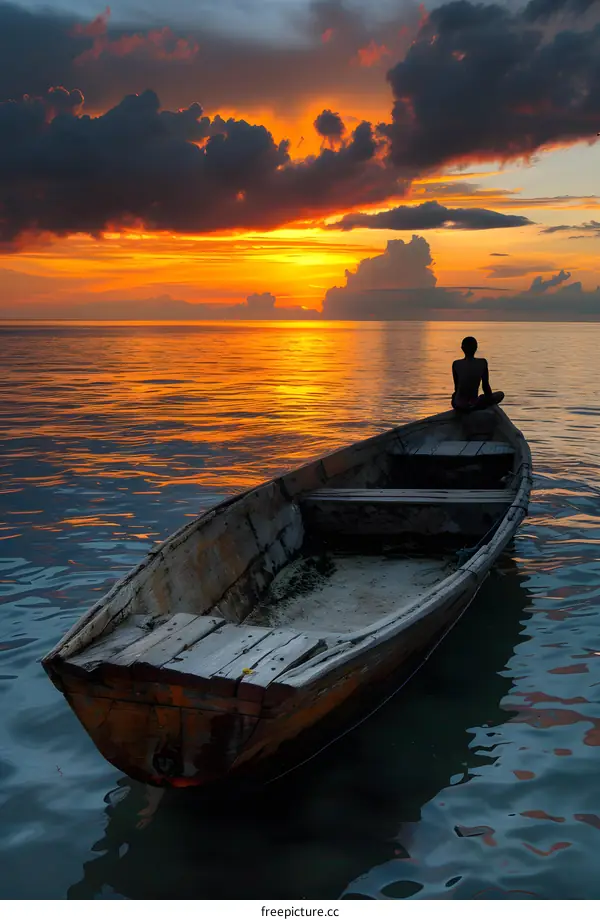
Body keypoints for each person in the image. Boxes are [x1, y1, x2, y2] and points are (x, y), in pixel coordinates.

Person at [451, 336, 504, 411]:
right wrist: (489, 399)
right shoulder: (482, 362)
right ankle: (474, 403)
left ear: (462, 348)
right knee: (500, 394)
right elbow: (485, 386)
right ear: (476, 348)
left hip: (459, 405)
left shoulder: (456, 364)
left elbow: (456, 387)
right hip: (474, 404)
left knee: (455, 395)